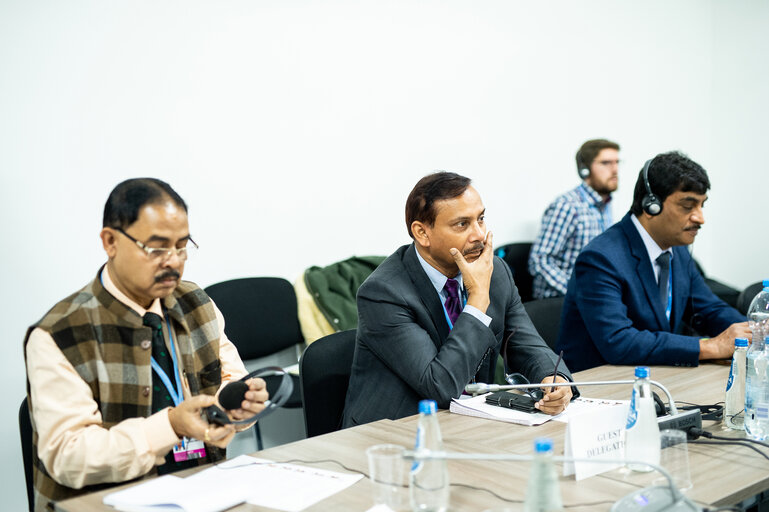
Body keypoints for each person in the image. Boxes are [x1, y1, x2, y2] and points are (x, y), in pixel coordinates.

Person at [24, 178, 269, 511]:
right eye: (156, 248)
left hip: (202, 490)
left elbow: (230, 382)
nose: (173, 261)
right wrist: (170, 426)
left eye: (182, 246)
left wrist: (238, 407)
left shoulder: (195, 302)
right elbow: (69, 456)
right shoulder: (61, 333)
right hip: (108, 503)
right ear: (110, 241)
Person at [342, 172, 576, 427]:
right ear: (422, 233)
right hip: (395, 432)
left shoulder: (495, 272)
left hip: (467, 422)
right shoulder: (384, 293)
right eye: (462, 224)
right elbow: (440, 386)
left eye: (481, 219)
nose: (479, 234)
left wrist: (555, 381)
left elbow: (527, 345)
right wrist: (477, 300)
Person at [557, 152, 749, 372]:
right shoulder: (600, 258)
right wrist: (710, 347)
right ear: (651, 206)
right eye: (688, 206)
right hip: (597, 385)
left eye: (701, 205)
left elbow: (709, 309)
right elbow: (619, 341)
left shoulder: (678, 250)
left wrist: (754, 332)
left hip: (654, 376)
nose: (700, 218)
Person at [529, 139, 620, 298]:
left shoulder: (605, 206)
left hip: (591, 297)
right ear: (585, 169)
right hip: (559, 302)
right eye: (606, 163)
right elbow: (539, 260)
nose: (615, 170)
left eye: (617, 162)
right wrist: (577, 291)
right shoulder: (567, 206)